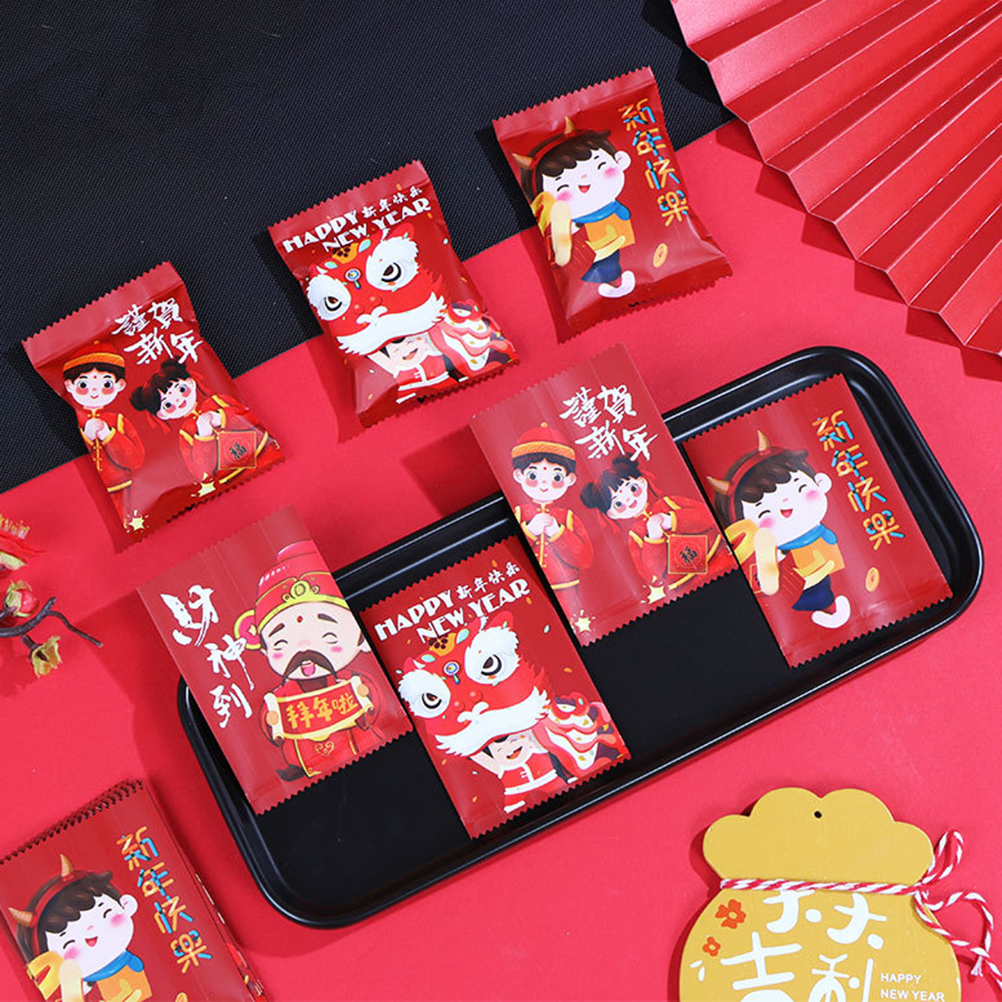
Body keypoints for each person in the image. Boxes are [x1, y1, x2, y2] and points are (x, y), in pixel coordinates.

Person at [235, 541, 385, 781]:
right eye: (282, 643)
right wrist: (270, 720)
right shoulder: (283, 694)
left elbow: (373, 700)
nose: (304, 648)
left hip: (362, 748)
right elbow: (271, 715)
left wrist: (366, 697)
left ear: (360, 637)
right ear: (265, 650)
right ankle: (300, 765)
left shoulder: (349, 680)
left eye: (328, 637)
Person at [706, 431, 851, 629]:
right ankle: (826, 608)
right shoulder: (773, 550)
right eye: (764, 512)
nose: (786, 506)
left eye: (800, 489)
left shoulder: (823, 532)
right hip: (795, 588)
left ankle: (829, 608)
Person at [512, 116, 636, 299]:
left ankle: (615, 281)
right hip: (588, 248)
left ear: (620, 160)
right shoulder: (566, 220)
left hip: (614, 240)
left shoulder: (611, 205)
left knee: (613, 257)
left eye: (600, 166)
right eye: (563, 186)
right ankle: (609, 283)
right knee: (599, 263)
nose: (585, 182)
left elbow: (624, 214)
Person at [9, 854, 151, 1001]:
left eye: (105, 914)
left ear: (126, 905)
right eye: (68, 942)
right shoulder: (77, 989)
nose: (90, 932)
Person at [581, 455, 727, 594]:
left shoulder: (668, 503)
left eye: (632, 489)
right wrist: (654, 540)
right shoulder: (636, 535)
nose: (629, 500)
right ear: (612, 514)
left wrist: (672, 520)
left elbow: (708, 516)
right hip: (685, 584)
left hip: (719, 554)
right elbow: (651, 575)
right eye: (618, 504)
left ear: (642, 482)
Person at [129, 358, 275, 484]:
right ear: (162, 414)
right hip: (230, 476)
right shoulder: (186, 433)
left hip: (262, 449)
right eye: (168, 404)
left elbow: (250, 417)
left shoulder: (217, 401)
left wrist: (221, 417)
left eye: (181, 390)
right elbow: (200, 471)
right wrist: (204, 437)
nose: (178, 400)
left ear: (191, 383)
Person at [510, 423, 593, 608]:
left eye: (556, 478)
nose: (543, 485)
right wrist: (530, 531)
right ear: (518, 475)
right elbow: (510, 554)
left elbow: (584, 559)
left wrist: (557, 532)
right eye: (533, 476)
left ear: (570, 479)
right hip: (526, 587)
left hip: (567, 588)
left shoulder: (567, 517)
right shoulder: (519, 513)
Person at [62, 342, 145, 525]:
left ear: (120, 385)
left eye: (106, 384)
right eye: (83, 384)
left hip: (127, 489)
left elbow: (136, 459)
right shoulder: (72, 420)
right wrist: (88, 436)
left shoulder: (118, 421)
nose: (94, 392)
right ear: (69, 386)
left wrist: (108, 434)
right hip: (86, 493)